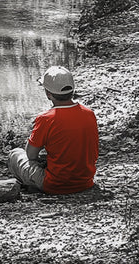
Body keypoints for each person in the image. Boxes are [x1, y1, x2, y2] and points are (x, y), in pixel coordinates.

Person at [8, 65, 98, 194]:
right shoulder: (89, 113)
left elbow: (31, 155)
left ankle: (30, 185)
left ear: (48, 93)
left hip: (54, 185)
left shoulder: (46, 118)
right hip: (85, 182)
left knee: (15, 154)